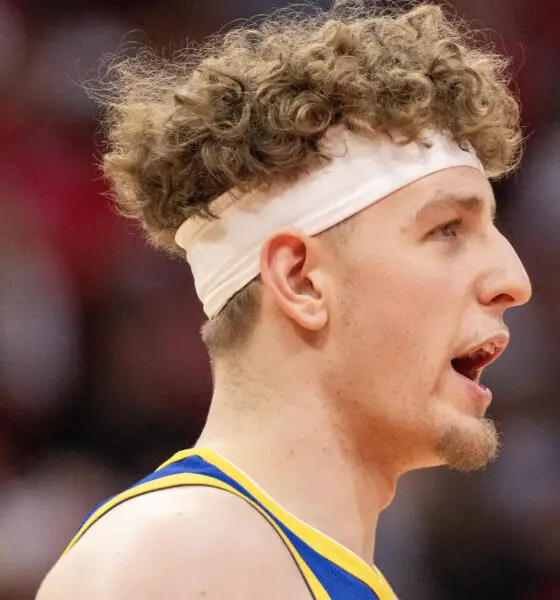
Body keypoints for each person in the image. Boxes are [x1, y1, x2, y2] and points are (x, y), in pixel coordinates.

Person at [37, 2, 532, 599]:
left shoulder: (264, 558)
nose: (514, 279)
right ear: (300, 281)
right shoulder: (182, 559)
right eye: (447, 229)